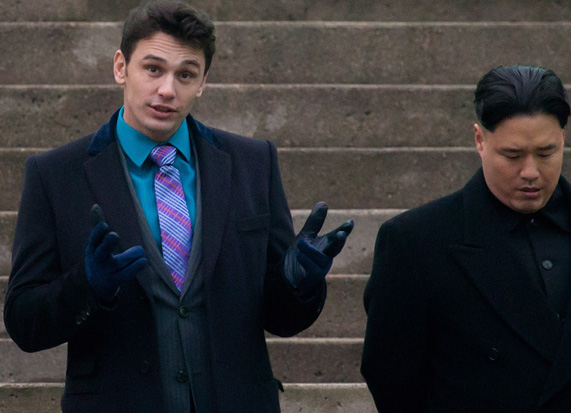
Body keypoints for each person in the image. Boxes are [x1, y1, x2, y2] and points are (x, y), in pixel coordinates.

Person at [3, 1, 353, 412]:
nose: (168, 90)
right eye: (153, 69)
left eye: (185, 74)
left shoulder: (253, 162)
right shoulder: (54, 175)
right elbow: (24, 322)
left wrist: (297, 282)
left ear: (203, 81)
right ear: (121, 67)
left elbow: (281, 318)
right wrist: (87, 286)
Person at [361, 64, 571, 411]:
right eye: (512, 155)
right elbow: (392, 377)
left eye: (546, 153)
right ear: (480, 140)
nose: (530, 172)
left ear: (563, 138)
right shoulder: (415, 241)